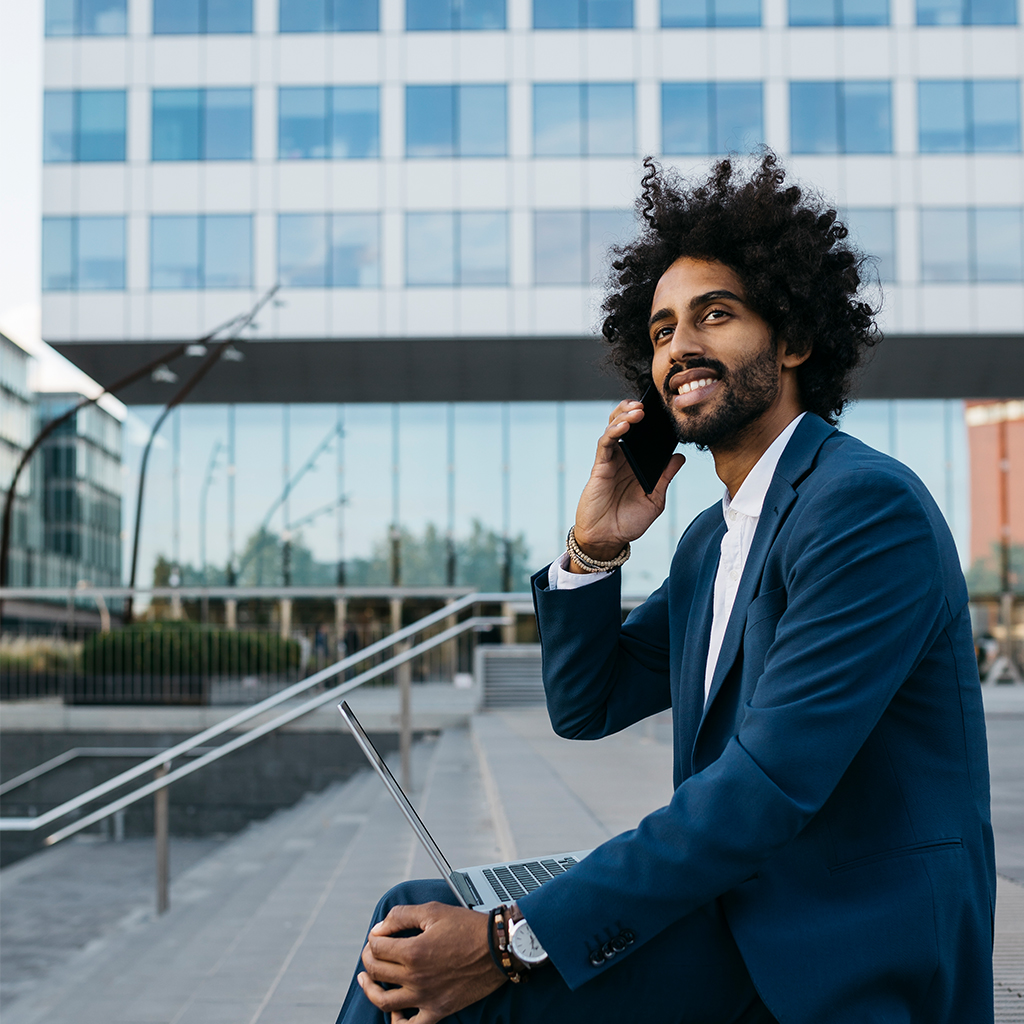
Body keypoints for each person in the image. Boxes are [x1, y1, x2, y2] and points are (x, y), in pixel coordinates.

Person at [335, 152, 995, 1024]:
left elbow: (763, 788)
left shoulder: (865, 510)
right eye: (659, 331)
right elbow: (587, 702)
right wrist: (592, 550)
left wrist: (510, 938)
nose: (679, 346)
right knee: (410, 915)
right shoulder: (709, 540)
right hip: (741, 914)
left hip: (840, 942)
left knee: (453, 981)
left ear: (793, 339)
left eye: (714, 315)